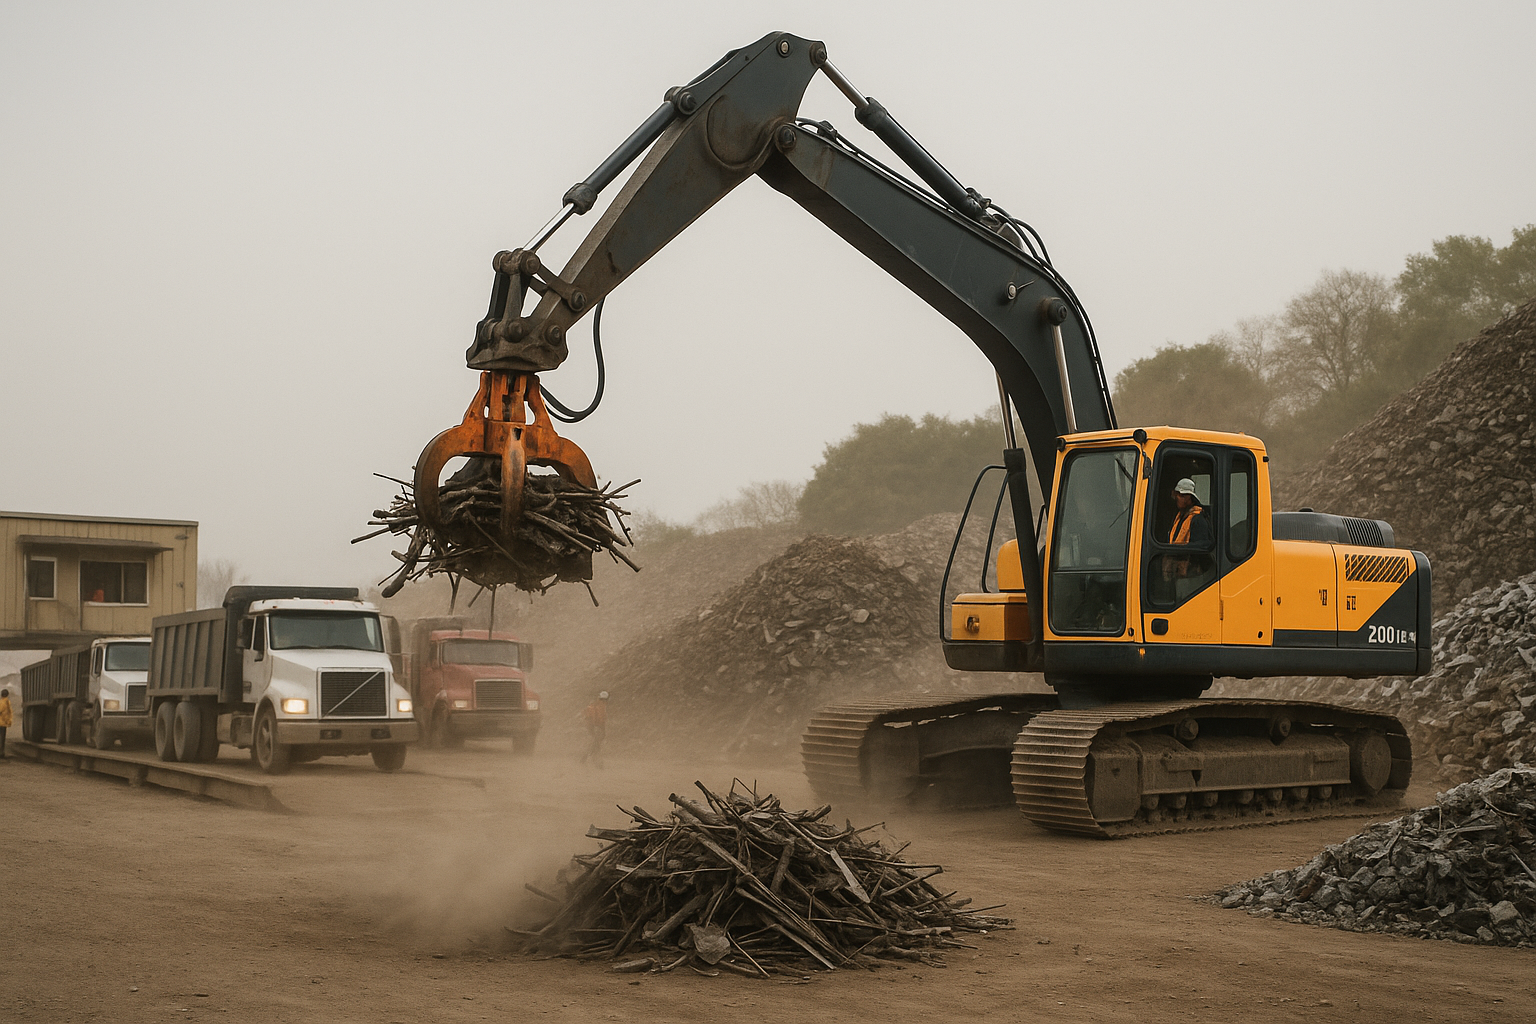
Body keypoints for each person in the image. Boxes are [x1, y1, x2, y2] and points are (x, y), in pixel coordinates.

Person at [1163, 477, 1214, 595]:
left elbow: (1203, 545)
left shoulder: (1198, 519)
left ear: (1189, 497)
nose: (1177, 499)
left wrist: (1182, 550)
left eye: (1181, 496)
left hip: (1191, 576)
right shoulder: (1180, 517)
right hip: (1178, 573)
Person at [580, 691, 609, 768]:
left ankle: (585, 759)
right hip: (596, 727)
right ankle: (597, 763)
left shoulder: (594, 705)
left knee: (594, 744)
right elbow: (600, 719)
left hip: (591, 727)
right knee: (595, 746)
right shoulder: (600, 706)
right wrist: (600, 728)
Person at [0, 688, 12, 758]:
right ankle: (2, 752)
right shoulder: (8, 702)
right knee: (2, 738)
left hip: (0, 722)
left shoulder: (2, 702)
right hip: (4, 723)